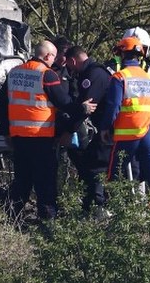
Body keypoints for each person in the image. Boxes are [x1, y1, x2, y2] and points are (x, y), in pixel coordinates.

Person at [0, 39, 94, 222]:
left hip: (18, 137)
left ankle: (12, 218)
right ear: (48, 56)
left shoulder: (14, 73)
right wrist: (82, 109)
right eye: (54, 57)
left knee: (22, 180)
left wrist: (6, 132)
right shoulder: (46, 74)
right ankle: (48, 222)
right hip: (40, 138)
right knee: (45, 182)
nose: (54, 62)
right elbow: (62, 102)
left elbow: (1, 106)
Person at [104, 36, 150, 209]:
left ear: (121, 54)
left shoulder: (120, 77)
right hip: (147, 131)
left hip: (126, 133)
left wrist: (105, 128)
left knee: (115, 171)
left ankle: (112, 207)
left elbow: (113, 107)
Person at [63, 45, 115, 216]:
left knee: (94, 167)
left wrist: (69, 130)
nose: (69, 71)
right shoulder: (95, 72)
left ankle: (98, 207)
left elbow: (87, 107)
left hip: (110, 130)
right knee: (92, 164)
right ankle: (93, 206)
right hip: (109, 128)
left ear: (72, 60)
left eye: (69, 66)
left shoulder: (93, 75)